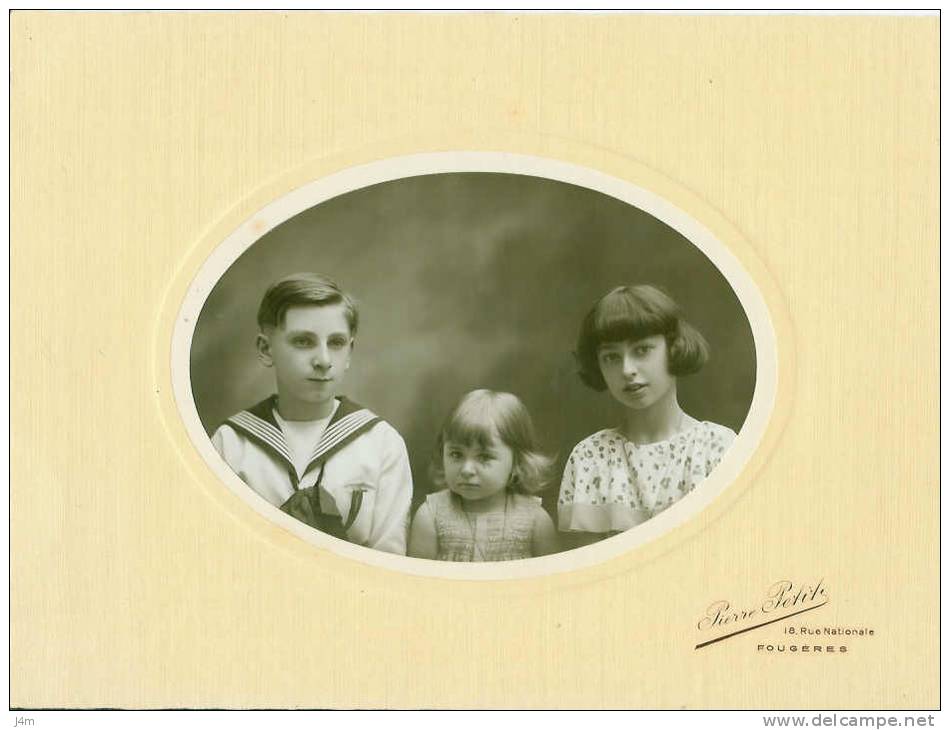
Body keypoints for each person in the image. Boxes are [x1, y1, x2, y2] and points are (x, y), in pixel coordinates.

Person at [211, 273, 413, 555]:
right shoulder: (230, 445)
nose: (324, 361)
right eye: (304, 342)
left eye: (336, 343)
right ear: (266, 349)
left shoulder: (381, 444)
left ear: (350, 353)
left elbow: (389, 558)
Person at [558, 284, 736, 546]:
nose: (627, 369)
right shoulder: (589, 457)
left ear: (673, 347)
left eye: (641, 350)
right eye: (611, 357)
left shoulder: (717, 447)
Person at [408, 390, 559, 562]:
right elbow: (418, 583)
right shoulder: (430, 516)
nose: (467, 469)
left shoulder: (536, 521)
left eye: (484, 457)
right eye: (456, 454)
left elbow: (551, 584)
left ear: (517, 462)